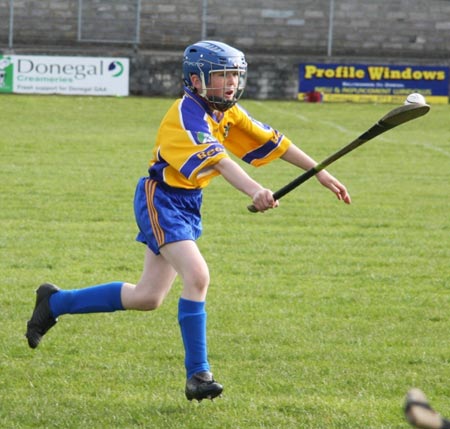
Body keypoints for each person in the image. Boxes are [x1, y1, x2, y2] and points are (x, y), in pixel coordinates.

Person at [25, 40, 351, 402]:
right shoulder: (187, 114)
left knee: (148, 297)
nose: (230, 83)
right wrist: (256, 191)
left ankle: (53, 303)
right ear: (195, 80)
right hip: (160, 198)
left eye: (235, 75)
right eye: (221, 75)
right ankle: (198, 374)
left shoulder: (226, 112)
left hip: (188, 202)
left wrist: (319, 171)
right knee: (198, 276)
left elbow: (274, 140)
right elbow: (222, 162)